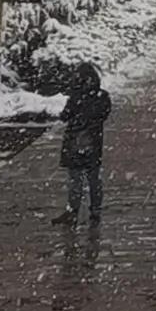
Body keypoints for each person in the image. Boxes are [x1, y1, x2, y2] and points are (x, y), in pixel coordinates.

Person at [56, 64, 111, 226]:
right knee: (94, 178)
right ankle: (95, 211)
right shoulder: (102, 97)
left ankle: (73, 211)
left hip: (74, 141)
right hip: (93, 142)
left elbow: (65, 116)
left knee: (76, 179)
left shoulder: (76, 96)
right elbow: (103, 115)